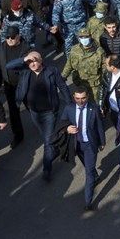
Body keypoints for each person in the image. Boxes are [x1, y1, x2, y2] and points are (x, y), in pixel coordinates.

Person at [15, 51, 70, 183]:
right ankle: (55, 148)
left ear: (41, 60)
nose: (32, 64)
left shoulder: (51, 71)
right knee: (46, 136)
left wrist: (69, 105)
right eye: (30, 62)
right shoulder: (25, 71)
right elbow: (9, 66)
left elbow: (62, 86)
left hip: (49, 113)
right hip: (34, 112)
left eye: (34, 61)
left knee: (47, 141)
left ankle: (47, 169)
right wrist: (24, 59)